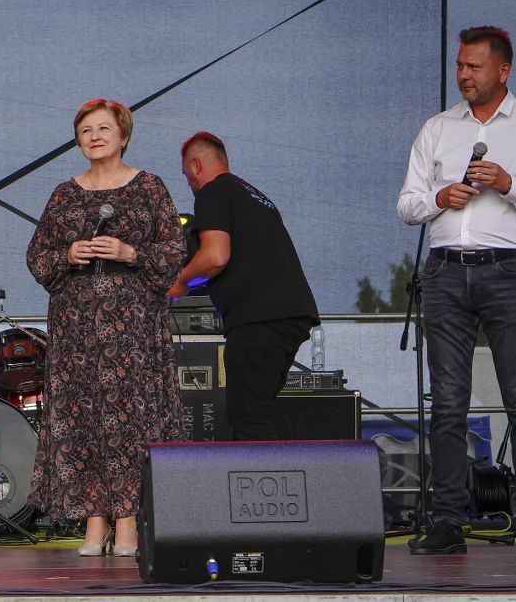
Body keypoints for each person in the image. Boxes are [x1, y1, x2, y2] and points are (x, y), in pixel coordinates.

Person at [398, 26, 516, 555]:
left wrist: (510, 185)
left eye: (474, 66)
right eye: (460, 65)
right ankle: (447, 521)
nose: (463, 74)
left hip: (508, 271)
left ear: (503, 70)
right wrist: (439, 197)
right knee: (447, 404)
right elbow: (407, 205)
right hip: (444, 272)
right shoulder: (438, 128)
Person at [26, 98, 185, 557]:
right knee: (83, 418)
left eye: (103, 129)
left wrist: (130, 253)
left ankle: (129, 522)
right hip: (76, 326)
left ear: (123, 135)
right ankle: (94, 521)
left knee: (130, 418)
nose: (94, 137)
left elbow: (174, 251)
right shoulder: (64, 193)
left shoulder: (149, 187)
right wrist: (67, 255)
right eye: (85, 131)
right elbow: (37, 255)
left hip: (133, 325)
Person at [167, 131, 318, 440]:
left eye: (186, 175)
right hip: (290, 314)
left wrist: (181, 282)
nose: (189, 183)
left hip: (258, 318)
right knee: (259, 411)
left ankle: (259, 472)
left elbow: (216, 256)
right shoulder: (252, 195)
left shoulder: (213, 191)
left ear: (196, 166)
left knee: (248, 418)